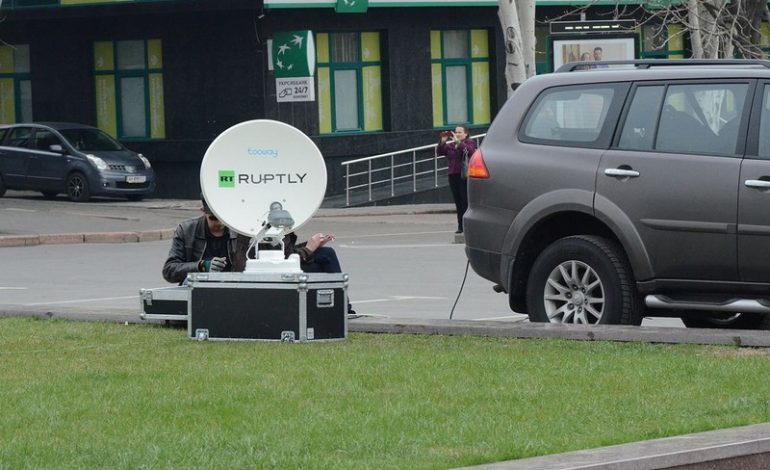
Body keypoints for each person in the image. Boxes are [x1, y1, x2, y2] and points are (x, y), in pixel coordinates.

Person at [162, 197, 239, 284]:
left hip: (233, 286)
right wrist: (202, 266)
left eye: (222, 218)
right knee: (189, 281)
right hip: (197, 287)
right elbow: (169, 271)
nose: (219, 223)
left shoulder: (242, 231)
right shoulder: (187, 230)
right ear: (203, 211)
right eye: (213, 218)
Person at [437, 125, 477, 234]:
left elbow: (469, 151)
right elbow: (440, 151)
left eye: (460, 132)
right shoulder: (451, 145)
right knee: (458, 202)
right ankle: (460, 226)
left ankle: (467, 225)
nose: (457, 134)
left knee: (465, 201)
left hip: (464, 175)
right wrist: (442, 141)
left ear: (466, 134)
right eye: (456, 132)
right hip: (453, 175)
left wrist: (458, 143)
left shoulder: (470, 143)